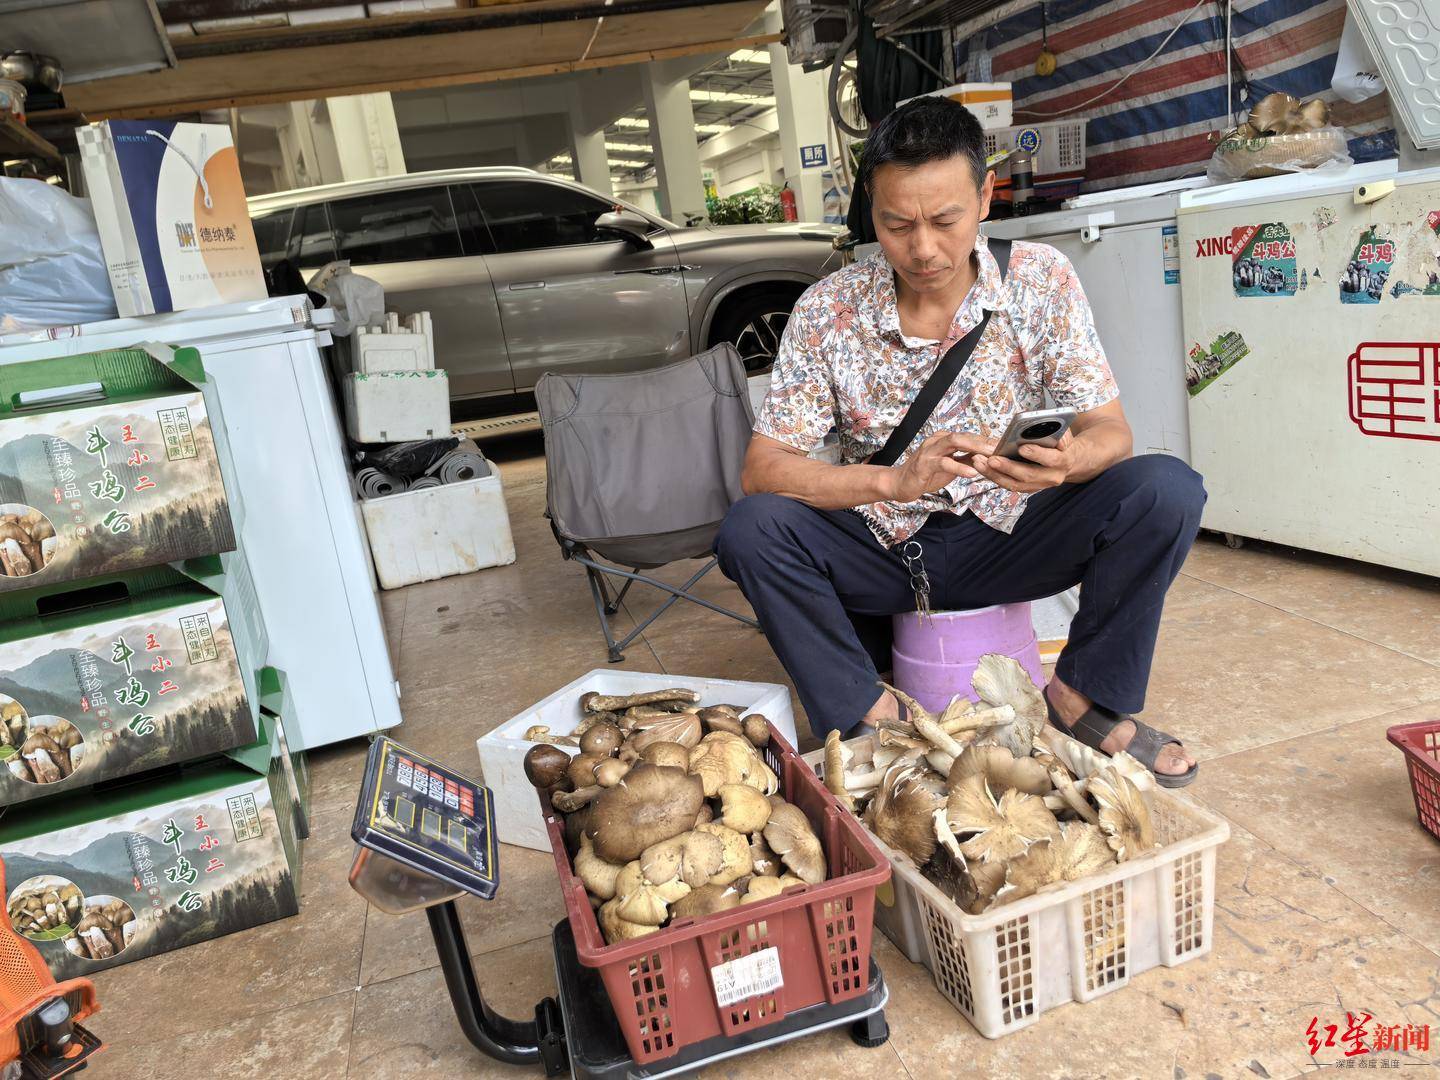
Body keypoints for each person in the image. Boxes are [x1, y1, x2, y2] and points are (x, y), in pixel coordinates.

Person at [714, 96, 1205, 787]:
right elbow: (763, 470)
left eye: (945, 220)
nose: (923, 249)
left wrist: (1067, 463)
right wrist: (891, 482)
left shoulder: (1040, 279)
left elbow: (1111, 432)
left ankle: (1081, 698)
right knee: (752, 529)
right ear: (871, 211)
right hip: (884, 549)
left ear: (985, 196)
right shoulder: (828, 308)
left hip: (1013, 536)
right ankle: (872, 716)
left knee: (1165, 489)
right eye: (896, 224)